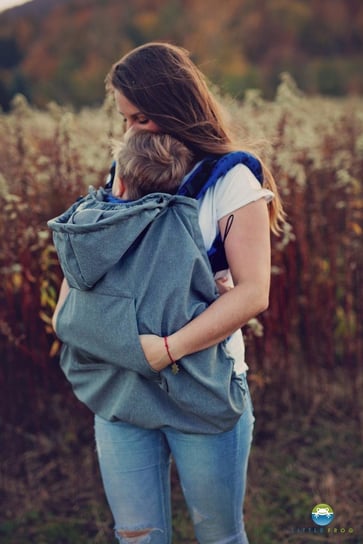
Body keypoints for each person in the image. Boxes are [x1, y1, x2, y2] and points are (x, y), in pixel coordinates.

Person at [51, 42, 285, 544]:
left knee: (218, 535)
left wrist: (167, 350)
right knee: (136, 536)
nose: (130, 131)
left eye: (140, 118)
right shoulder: (125, 171)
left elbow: (253, 293)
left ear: (172, 105)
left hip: (200, 384)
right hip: (122, 385)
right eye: (125, 119)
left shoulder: (232, 180)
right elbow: (102, 265)